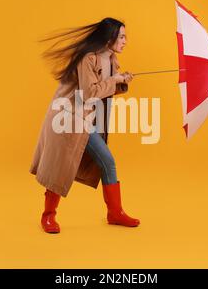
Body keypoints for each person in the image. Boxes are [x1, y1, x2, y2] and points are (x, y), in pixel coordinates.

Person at [29, 17, 140, 233]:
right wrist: (115, 80)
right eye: (122, 37)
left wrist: (121, 81)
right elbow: (90, 94)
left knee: (105, 162)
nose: (126, 41)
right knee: (61, 167)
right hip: (69, 118)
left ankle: (115, 213)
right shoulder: (88, 58)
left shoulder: (112, 60)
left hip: (88, 118)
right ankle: (48, 216)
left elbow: (102, 90)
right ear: (110, 38)